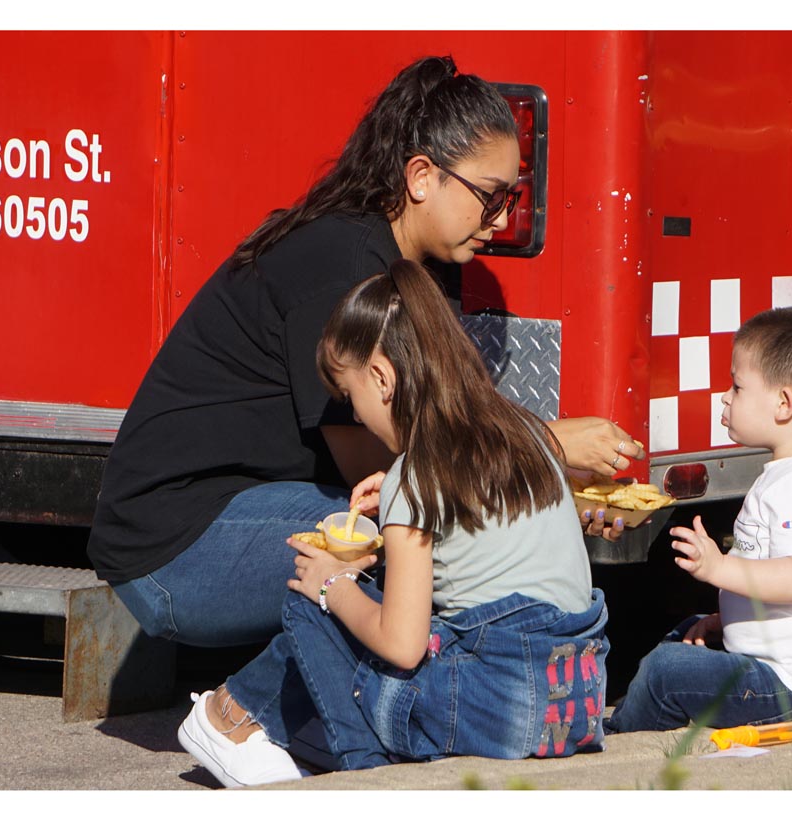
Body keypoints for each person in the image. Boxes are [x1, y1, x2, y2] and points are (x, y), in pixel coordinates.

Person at [86, 55, 639, 783]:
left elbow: (437, 452)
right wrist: (544, 446)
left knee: (411, 531)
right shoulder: (344, 264)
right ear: (420, 178)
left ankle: (353, 720)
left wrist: (546, 501)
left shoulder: (418, 268)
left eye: (510, 199)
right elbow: (390, 467)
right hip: (176, 547)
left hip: (254, 512)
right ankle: (236, 713)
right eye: (488, 196)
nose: (501, 219)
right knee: (396, 537)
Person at [180, 258, 608, 780]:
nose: (355, 414)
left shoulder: (415, 477)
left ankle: (369, 774)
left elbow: (403, 646)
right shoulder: (530, 435)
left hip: (499, 715)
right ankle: (255, 720)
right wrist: (403, 497)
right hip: (573, 706)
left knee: (309, 602)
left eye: (349, 396)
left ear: (382, 378)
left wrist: (333, 586)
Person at [605, 305, 792, 734]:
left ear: (784, 404)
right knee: (688, 633)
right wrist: (722, 622)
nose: (726, 397)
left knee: (666, 670)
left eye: (737, 385)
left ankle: (624, 748)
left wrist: (720, 568)